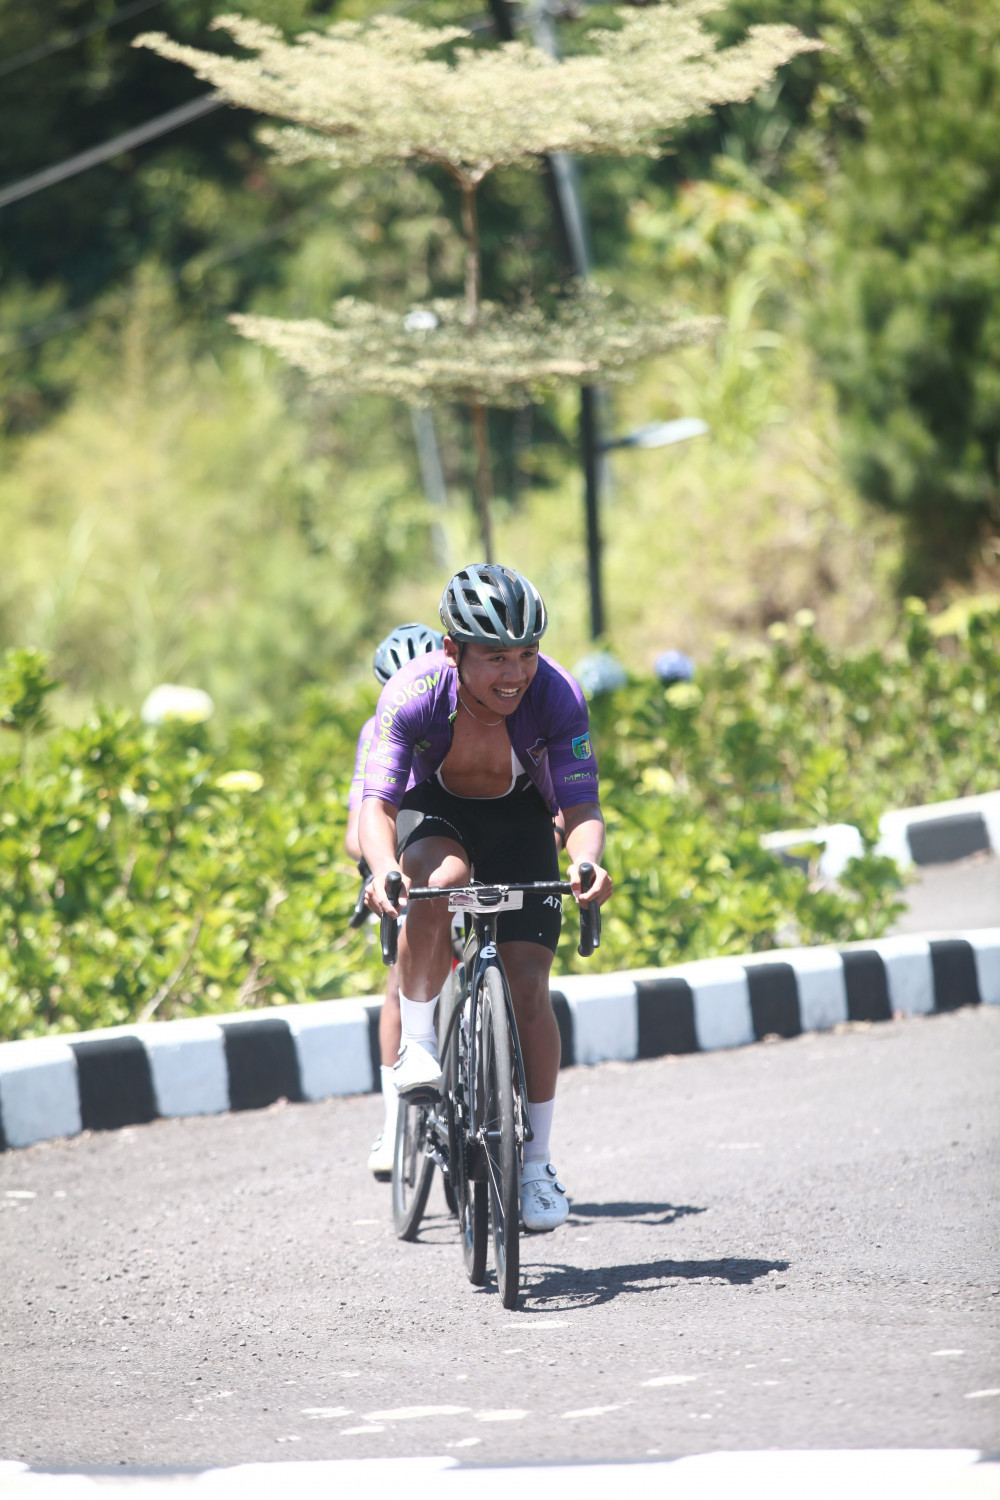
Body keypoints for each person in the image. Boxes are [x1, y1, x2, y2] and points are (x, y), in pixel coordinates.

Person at [361, 564, 613, 1232]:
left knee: (529, 984)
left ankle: (537, 1166)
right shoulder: (414, 693)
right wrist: (383, 869)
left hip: (519, 819)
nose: (515, 672)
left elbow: (581, 806)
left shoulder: (556, 693)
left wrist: (586, 862)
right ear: (453, 651)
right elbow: (377, 805)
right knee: (439, 883)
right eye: (496, 656)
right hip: (434, 811)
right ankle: (420, 1045)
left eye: (526, 653)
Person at [345, 622, 443, 1180]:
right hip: (397, 845)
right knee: (395, 981)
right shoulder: (378, 728)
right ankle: (393, 1123)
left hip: (448, 838)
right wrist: (385, 866)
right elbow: (357, 828)